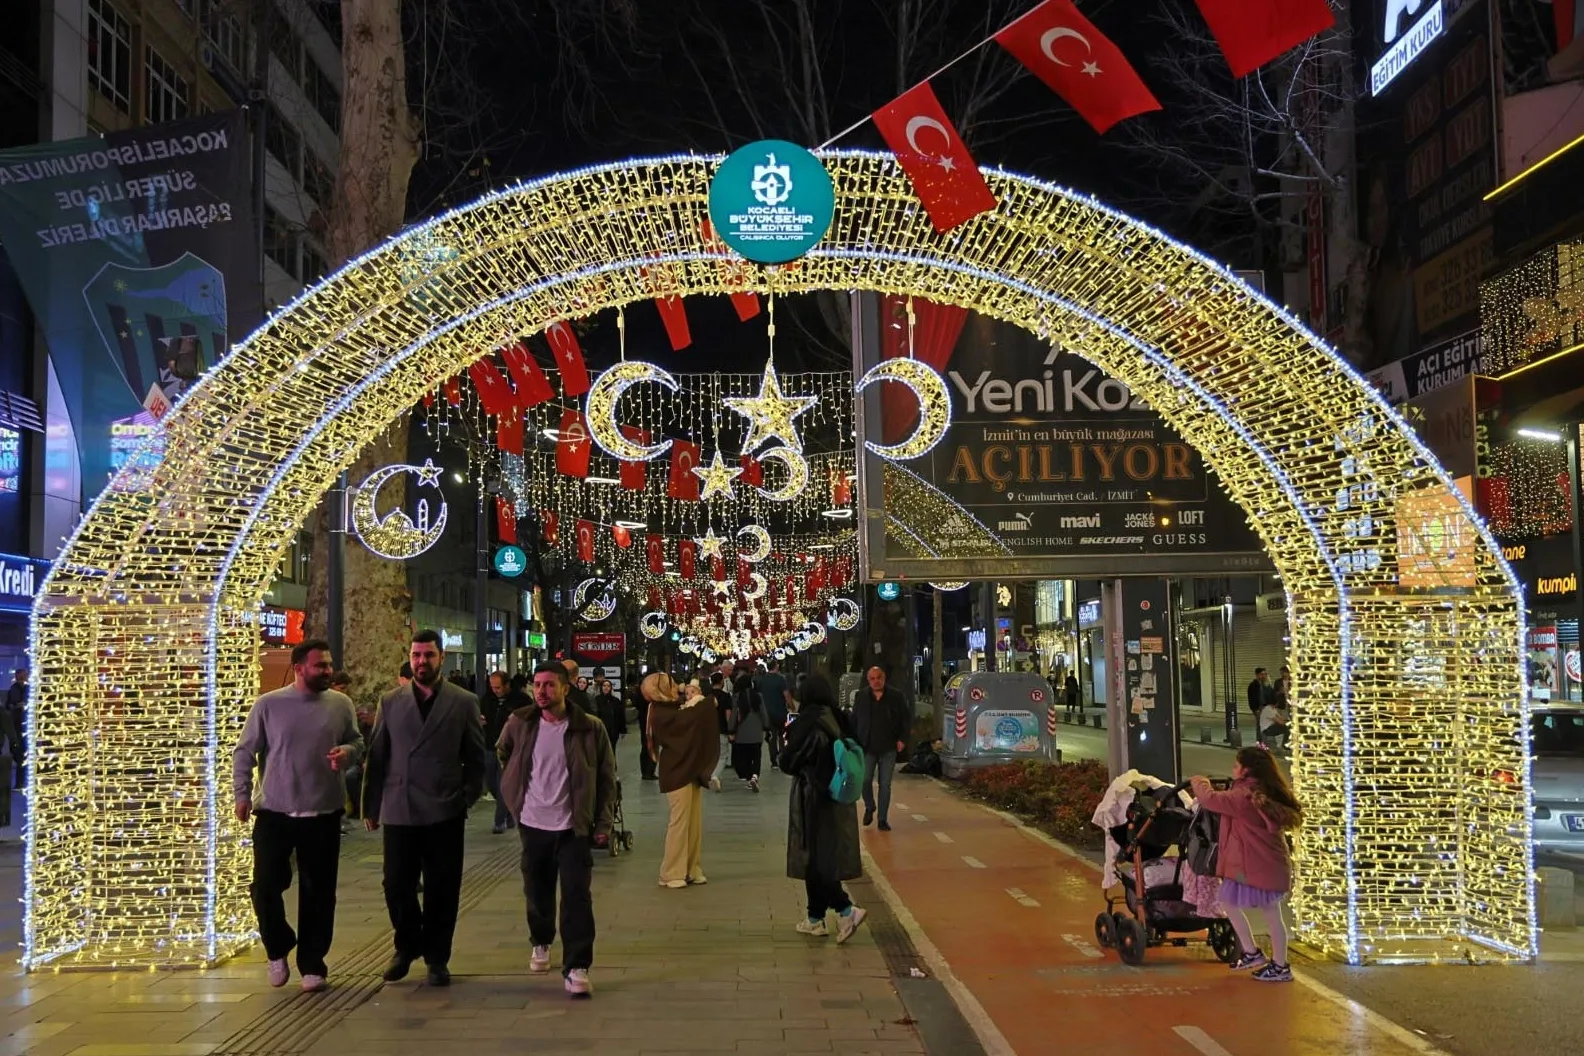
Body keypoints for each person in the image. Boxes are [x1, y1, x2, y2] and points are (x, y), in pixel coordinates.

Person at [232, 639, 363, 992]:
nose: (328, 670)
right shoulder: (269, 705)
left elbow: (357, 742)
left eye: (329, 664)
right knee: (265, 886)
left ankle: (312, 963)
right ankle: (277, 946)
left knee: (319, 892)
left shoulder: (341, 705)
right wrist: (242, 795)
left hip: (323, 812)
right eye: (320, 665)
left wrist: (347, 753)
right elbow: (244, 752)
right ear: (299, 667)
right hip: (274, 812)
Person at [363, 629, 487, 987]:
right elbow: (378, 754)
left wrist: (466, 796)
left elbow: (476, 756)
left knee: (442, 887)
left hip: (444, 808)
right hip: (399, 806)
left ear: (441, 658)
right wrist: (371, 805)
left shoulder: (462, 701)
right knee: (396, 883)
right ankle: (406, 945)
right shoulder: (391, 701)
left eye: (429, 655)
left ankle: (437, 957)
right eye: (416, 655)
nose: (422, 662)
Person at [496, 662, 616, 998]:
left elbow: (606, 778)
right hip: (533, 822)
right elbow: (503, 752)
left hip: (573, 826)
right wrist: (515, 792)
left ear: (566, 688)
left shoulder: (589, 727)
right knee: (537, 890)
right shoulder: (520, 722)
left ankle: (577, 966)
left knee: (577, 895)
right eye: (537, 685)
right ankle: (541, 939)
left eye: (549, 685)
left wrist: (603, 823)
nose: (541, 692)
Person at [1189, 748, 1303, 983]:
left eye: (1236, 764)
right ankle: (1260, 956)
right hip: (1263, 864)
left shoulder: (1243, 796)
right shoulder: (1262, 790)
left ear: (1247, 769)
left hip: (1256, 865)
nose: (1233, 768)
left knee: (1258, 910)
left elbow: (1210, 800)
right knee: (1244, 906)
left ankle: (1276, 964)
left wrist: (1199, 781)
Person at [778, 674, 867, 943]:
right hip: (838, 795)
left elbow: (788, 761)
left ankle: (846, 910)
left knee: (817, 859)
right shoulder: (839, 718)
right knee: (820, 856)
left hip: (814, 798)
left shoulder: (808, 723)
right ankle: (815, 918)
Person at [644, 671, 718, 888]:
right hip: (676, 771)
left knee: (694, 823)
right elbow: (687, 721)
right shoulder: (660, 712)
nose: (678, 686)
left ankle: (691, 868)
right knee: (680, 823)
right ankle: (670, 873)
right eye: (671, 683)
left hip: (689, 768)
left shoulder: (671, 707)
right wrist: (704, 703)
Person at [851, 666, 910, 831]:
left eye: (879, 677)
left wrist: (902, 739)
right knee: (865, 780)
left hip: (889, 747)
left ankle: (882, 819)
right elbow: (854, 719)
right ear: (868, 680)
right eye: (872, 678)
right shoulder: (861, 696)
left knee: (885, 784)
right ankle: (869, 806)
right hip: (867, 746)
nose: (876, 681)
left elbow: (905, 718)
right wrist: (853, 741)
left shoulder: (895, 696)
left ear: (884, 678)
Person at [481, 671, 519, 834]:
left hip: (509, 749)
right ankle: (509, 811)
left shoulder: (519, 700)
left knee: (502, 784)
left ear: (506, 685)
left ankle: (500, 820)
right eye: (492, 687)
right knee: (491, 782)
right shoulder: (487, 699)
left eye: (498, 687)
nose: (495, 690)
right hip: (490, 745)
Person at [729, 671, 770, 792]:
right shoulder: (758, 696)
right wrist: (766, 727)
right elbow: (763, 713)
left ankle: (748, 778)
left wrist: (731, 729)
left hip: (742, 732)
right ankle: (755, 776)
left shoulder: (736, 697)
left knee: (744, 757)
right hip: (756, 732)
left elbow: (734, 714)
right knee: (756, 756)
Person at [756, 660, 792, 757]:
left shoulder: (762, 680)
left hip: (767, 713)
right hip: (780, 712)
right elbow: (786, 695)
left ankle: (773, 758)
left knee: (772, 736)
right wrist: (792, 706)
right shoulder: (781, 679)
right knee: (782, 735)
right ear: (776, 666)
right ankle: (782, 755)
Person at [708, 671, 733, 792]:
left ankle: (711, 774)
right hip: (721, 729)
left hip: (708, 730)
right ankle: (715, 776)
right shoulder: (726, 696)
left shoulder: (706, 696)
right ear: (721, 681)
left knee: (711, 754)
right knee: (723, 755)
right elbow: (728, 715)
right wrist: (730, 730)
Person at [631, 679, 657, 781]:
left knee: (650, 745)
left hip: (647, 720)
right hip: (646, 720)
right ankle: (648, 772)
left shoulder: (641, 690)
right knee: (648, 745)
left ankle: (649, 771)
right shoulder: (645, 690)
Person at [592, 679, 627, 750]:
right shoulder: (596, 700)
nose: (606, 687)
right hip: (601, 730)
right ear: (601, 687)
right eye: (604, 685)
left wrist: (623, 730)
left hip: (613, 731)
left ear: (611, 688)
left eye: (608, 686)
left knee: (611, 750)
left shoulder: (616, 701)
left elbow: (620, 716)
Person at [1246, 668, 1271, 742]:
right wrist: (1255, 709)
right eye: (1262, 674)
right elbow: (1251, 698)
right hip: (1258, 708)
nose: (1263, 676)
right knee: (1260, 725)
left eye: (1265, 674)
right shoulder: (1253, 685)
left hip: (1266, 707)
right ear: (1257, 675)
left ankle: (1264, 741)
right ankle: (1260, 742)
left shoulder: (1266, 684)